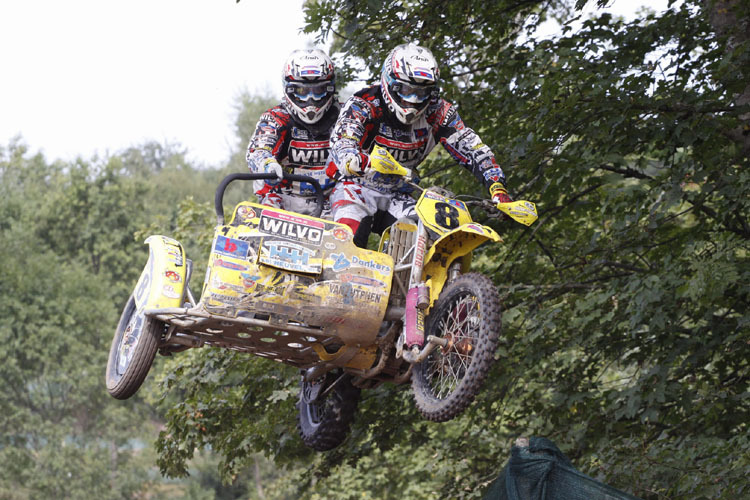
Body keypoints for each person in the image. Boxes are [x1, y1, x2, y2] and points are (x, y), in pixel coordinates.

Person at [326, 43, 513, 247]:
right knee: (346, 239)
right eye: (406, 90)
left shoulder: (439, 111)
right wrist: (351, 158)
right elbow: (343, 138)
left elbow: (473, 149)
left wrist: (497, 188)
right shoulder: (365, 102)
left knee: (426, 238)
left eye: (422, 92)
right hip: (356, 187)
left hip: (399, 193)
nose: (413, 99)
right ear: (390, 83)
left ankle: (423, 279)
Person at [246, 49, 339, 217]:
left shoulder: (343, 117)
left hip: (329, 203)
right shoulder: (275, 118)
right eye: (302, 92)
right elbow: (257, 151)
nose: (311, 99)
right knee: (262, 216)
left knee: (353, 209)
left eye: (319, 90)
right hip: (282, 199)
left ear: (330, 88)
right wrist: (267, 164)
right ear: (288, 89)